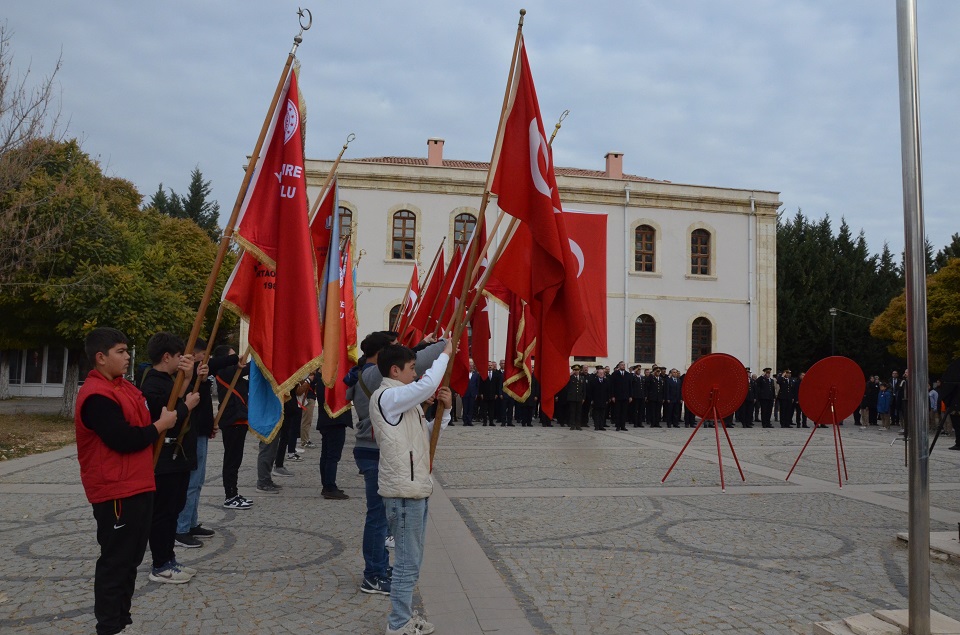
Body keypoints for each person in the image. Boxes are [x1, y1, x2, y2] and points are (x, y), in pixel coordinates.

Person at [76, 327, 177, 635]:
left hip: (139, 483)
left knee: (132, 558)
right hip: (115, 490)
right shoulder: (96, 396)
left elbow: (146, 415)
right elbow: (122, 439)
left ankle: (121, 620)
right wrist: (161, 426)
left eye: (127, 350)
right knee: (116, 560)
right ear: (101, 357)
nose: (127, 356)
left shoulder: (126, 387)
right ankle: (108, 626)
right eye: (120, 351)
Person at [350, 331, 447, 596]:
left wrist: (427, 345)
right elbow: (416, 365)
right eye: (395, 347)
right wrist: (443, 349)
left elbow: (408, 360)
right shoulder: (373, 376)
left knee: (382, 519)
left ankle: (381, 566)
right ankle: (374, 573)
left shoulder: (376, 374)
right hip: (373, 451)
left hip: (381, 451)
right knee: (378, 519)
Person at [372, 339, 453, 635]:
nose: (415, 374)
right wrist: (444, 354)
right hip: (403, 493)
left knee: (413, 561)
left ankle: (403, 616)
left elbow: (426, 437)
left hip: (415, 489)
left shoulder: (407, 404)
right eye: (411, 368)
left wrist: (444, 412)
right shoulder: (387, 397)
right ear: (395, 371)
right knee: (406, 564)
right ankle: (398, 624)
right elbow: (424, 386)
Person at [139, 332, 201, 584]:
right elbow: (166, 417)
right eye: (178, 357)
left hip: (177, 458)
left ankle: (169, 557)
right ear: (166, 357)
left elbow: (174, 400)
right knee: (163, 514)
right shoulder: (152, 382)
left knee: (173, 510)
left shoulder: (169, 380)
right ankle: (160, 564)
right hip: (163, 458)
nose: (181, 361)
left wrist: (187, 380)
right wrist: (188, 405)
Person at [174, 339, 236, 548]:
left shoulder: (203, 371)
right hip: (191, 433)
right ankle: (180, 529)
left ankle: (191, 523)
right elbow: (185, 402)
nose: (207, 361)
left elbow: (224, 362)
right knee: (191, 483)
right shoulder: (184, 374)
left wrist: (210, 425)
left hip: (201, 431)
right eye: (204, 357)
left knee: (198, 482)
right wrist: (195, 378)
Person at [214, 345, 253, 509]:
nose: (237, 359)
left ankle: (234, 493)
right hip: (232, 422)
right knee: (231, 461)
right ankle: (230, 495)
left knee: (236, 460)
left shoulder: (234, 376)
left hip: (240, 421)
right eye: (233, 357)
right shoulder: (224, 372)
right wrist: (258, 354)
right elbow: (248, 368)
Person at [315, 372, 352, 500]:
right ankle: (330, 487)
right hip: (335, 419)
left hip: (327, 420)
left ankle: (327, 485)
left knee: (326, 455)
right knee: (332, 456)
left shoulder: (322, 377)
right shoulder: (332, 378)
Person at [587, 366, 610, 430]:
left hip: (603, 400)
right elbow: (590, 391)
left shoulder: (606, 381)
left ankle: (601, 426)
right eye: (600, 373)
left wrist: (607, 399)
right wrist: (591, 399)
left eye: (602, 373)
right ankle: (596, 426)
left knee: (602, 414)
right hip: (596, 400)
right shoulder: (593, 381)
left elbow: (608, 391)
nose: (601, 374)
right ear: (597, 374)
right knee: (596, 413)